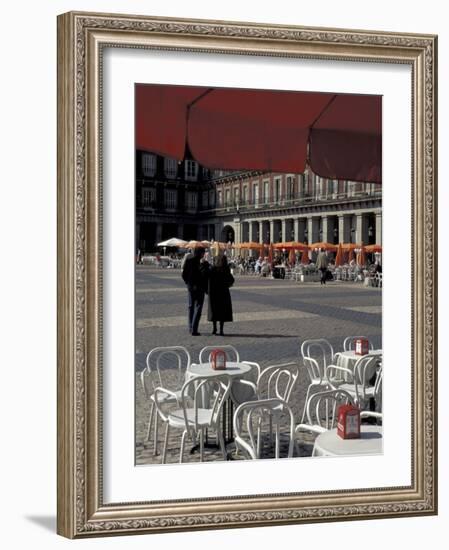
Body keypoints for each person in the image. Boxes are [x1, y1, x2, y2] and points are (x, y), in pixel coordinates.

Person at [181, 247, 209, 336]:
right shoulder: (203, 263)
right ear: (200, 253)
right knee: (198, 308)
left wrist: (188, 283)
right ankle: (194, 329)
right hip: (200, 288)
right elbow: (205, 276)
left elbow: (184, 274)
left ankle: (190, 328)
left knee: (191, 307)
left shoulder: (189, 261)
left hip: (190, 288)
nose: (204, 254)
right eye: (203, 253)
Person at [207, 254, 234, 336]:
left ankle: (215, 329)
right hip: (223, 292)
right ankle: (220, 329)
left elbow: (207, 279)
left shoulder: (212, 269)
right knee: (221, 311)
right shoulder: (224, 269)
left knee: (215, 310)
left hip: (214, 292)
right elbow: (231, 280)